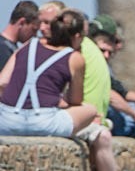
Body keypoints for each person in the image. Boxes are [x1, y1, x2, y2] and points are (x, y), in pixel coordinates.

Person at [58, 7, 135, 171]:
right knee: (105, 133)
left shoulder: (89, 53)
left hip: (94, 117)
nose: (108, 53)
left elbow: (115, 91)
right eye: (106, 47)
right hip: (85, 117)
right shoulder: (79, 52)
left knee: (104, 132)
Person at [0, 9, 96, 137]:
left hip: (7, 121)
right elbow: (75, 100)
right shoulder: (75, 57)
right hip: (43, 123)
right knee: (90, 110)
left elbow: (2, 82)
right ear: (77, 36)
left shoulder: (30, 44)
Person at [90, 16, 135, 138]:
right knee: (128, 119)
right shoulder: (89, 61)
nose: (119, 47)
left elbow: (121, 91)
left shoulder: (103, 66)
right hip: (98, 115)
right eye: (116, 41)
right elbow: (110, 94)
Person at [0, 0, 40, 70]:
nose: (35, 35)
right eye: (33, 30)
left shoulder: (11, 49)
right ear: (22, 22)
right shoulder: (3, 50)